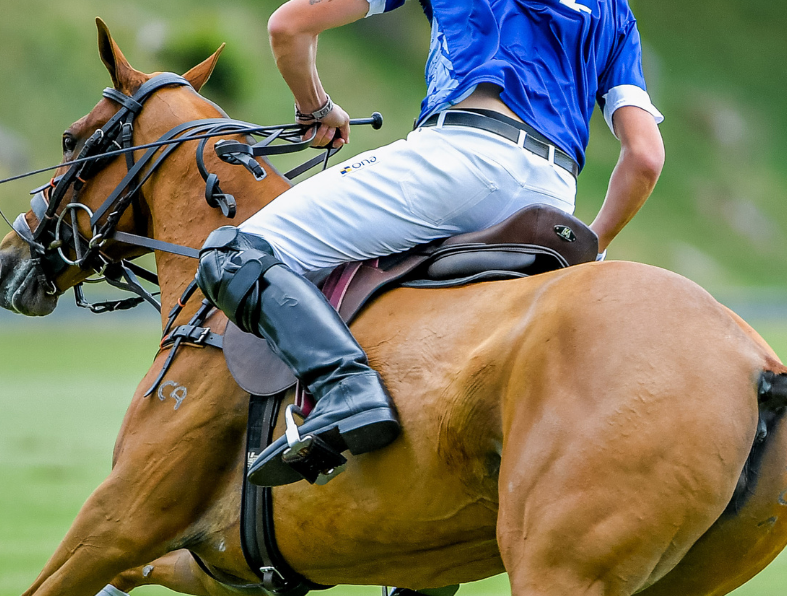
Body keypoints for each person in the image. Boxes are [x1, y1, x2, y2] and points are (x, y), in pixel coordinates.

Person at [196, 0, 665, 487]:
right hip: (551, 198)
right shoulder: (615, 10)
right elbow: (645, 157)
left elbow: (289, 26)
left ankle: (346, 390)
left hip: (461, 159)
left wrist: (316, 106)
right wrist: (592, 242)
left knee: (234, 252)